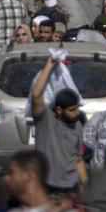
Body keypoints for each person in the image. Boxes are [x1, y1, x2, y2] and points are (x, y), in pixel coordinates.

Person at [29, 52, 88, 194]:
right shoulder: (46, 120)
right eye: (72, 110)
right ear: (59, 110)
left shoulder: (78, 125)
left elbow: (77, 159)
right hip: (46, 186)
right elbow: (36, 95)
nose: (77, 113)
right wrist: (49, 65)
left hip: (70, 188)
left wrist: (85, 186)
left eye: (77, 108)